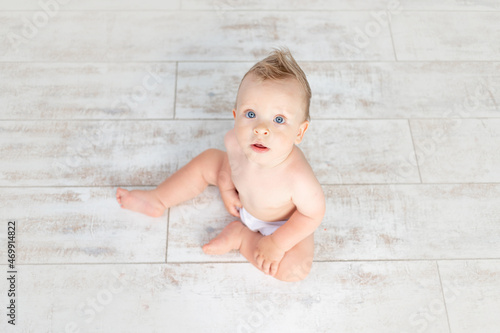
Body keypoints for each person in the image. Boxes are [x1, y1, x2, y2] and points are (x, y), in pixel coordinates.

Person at [116, 48, 325, 282]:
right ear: (235, 116)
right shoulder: (235, 141)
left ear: (300, 131)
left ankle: (242, 238)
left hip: (283, 222)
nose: (261, 128)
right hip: (243, 200)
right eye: (251, 114)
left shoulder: (298, 178)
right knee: (208, 160)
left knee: (294, 270)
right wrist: (226, 186)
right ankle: (158, 198)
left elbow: (312, 215)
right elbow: (230, 164)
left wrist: (277, 243)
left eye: (278, 120)